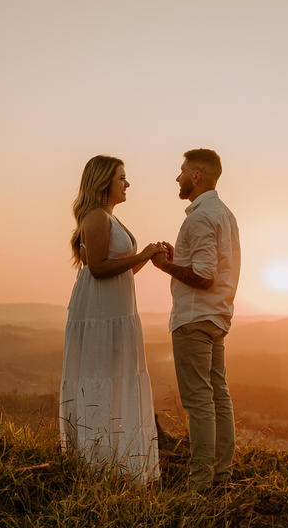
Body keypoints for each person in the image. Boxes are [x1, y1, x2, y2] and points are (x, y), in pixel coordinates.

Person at [59, 155, 166, 483]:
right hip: (100, 313)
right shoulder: (95, 217)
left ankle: (119, 461)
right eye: (122, 177)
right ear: (105, 182)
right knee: (100, 378)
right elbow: (98, 268)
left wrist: (145, 258)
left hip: (117, 310)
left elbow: (121, 270)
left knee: (117, 376)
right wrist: (143, 253)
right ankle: (96, 461)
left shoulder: (110, 218)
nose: (127, 183)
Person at [152, 148, 241, 492]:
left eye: (182, 171)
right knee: (219, 396)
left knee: (199, 401)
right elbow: (210, 266)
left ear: (197, 176)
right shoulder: (225, 214)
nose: (178, 177)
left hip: (194, 319)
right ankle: (222, 475)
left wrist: (164, 266)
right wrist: (180, 259)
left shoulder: (200, 217)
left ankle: (200, 483)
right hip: (217, 317)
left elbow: (204, 275)